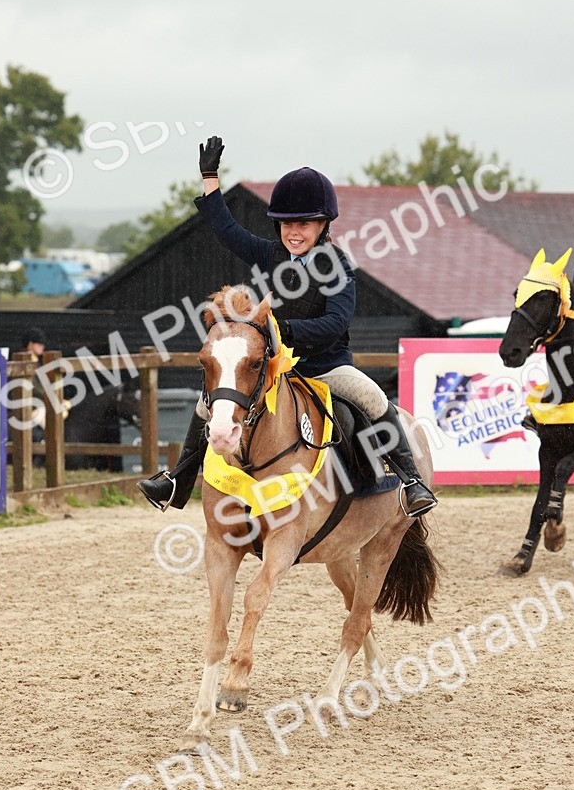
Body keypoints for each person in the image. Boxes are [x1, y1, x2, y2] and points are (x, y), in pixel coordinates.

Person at [138, 135, 437, 515]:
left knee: (374, 400)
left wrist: (286, 331)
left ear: (323, 224)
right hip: (272, 367)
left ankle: (411, 482)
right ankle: (178, 481)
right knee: (207, 404)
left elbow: (335, 322)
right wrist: (210, 178)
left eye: (304, 224)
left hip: (326, 367)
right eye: (286, 224)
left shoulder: (339, 266)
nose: (294, 232)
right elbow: (227, 231)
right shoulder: (270, 254)